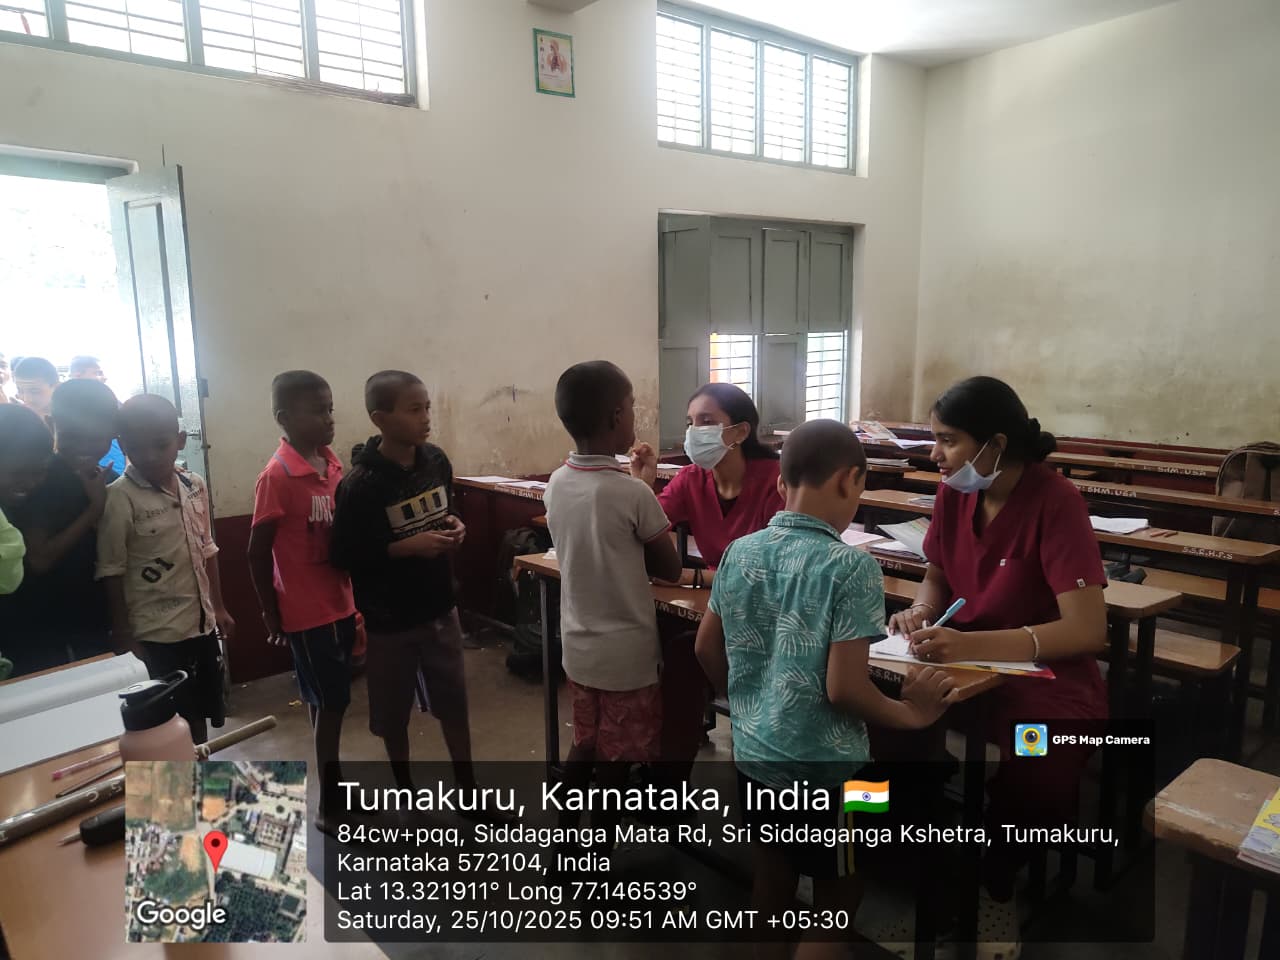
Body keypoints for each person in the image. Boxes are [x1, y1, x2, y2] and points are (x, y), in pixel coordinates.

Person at [695, 418, 956, 960]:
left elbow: (704, 648)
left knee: (772, 877)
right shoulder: (851, 567)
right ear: (850, 480)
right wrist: (913, 714)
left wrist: (750, 707)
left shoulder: (740, 552)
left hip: (755, 756)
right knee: (841, 893)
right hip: (832, 770)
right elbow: (844, 690)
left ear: (779, 484)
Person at [886, 376, 1108, 958]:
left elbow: (1086, 630)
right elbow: (938, 570)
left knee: (1044, 765)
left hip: (1044, 674)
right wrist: (919, 611)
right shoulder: (953, 493)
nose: (933, 455)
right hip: (960, 658)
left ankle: (997, 877)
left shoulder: (1056, 502)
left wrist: (972, 642)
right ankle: (909, 852)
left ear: (996, 444)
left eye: (947, 440)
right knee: (882, 720)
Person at [543, 361, 682, 837]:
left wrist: (637, 485)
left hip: (579, 646)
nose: (634, 418)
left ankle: (563, 848)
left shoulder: (557, 483)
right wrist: (646, 487)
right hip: (626, 655)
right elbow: (668, 568)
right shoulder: (631, 494)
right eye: (633, 409)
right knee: (617, 767)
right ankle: (598, 860)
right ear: (615, 416)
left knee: (584, 745)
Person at [330, 371, 474, 791]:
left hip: (440, 608)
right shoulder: (360, 486)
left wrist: (455, 526)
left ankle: (468, 790)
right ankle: (405, 790)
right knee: (393, 716)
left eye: (426, 407)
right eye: (414, 410)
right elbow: (344, 555)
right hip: (389, 620)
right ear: (380, 418)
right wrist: (404, 547)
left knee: (454, 706)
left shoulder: (437, 462)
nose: (426, 417)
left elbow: (444, 511)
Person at [630, 382, 784, 768]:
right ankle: (666, 781)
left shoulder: (775, 480)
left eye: (707, 421)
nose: (695, 431)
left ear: (740, 431)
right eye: (690, 422)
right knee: (673, 652)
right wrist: (642, 486)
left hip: (770, 613)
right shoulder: (692, 478)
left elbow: (769, 568)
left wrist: (694, 579)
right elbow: (646, 528)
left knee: (685, 654)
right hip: (722, 607)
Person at [248, 371, 356, 833]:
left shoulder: (332, 466)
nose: (329, 418)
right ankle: (329, 802)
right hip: (307, 612)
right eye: (318, 410)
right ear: (284, 418)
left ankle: (333, 786)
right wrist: (271, 611)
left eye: (330, 408)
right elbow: (256, 551)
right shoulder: (277, 476)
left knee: (321, 700)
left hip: (341, 603)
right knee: (334, 700)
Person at [96, 394, 236, 743]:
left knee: (201, 711)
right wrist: (124, 633)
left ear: (180, 441)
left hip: (199, 624)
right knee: (167, 723)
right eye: (136, 448)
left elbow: (208, 550)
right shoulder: (120, 497)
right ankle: (178, 789)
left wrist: (217, 606)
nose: (149, 457)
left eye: (160, 446)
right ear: (121, 445)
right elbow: (111, 569)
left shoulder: (194, 485)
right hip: (156, 635)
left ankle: (200, 775)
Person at [2, 379, 120, 675]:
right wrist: (94, 510)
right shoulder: (43, 478)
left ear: (113, 434)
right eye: (73, 437)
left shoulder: (108, 478)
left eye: (96, 439)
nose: (84, 448)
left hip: (91, 614)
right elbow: (39, 559)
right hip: (46, 624)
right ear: (53, 424)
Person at [0, 404, 54, 674]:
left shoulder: (33, 501)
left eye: (39, 472)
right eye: (19, 473)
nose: (30, 483)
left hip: (32, 634)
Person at [70, 356, 126, 474]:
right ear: (77, 376)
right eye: (98, 373)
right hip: (93, 473)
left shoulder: (113, 403)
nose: (104, 378)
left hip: (122, 472)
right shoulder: (65, 409)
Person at [13, 356, 58, 422]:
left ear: (56, 387)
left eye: (35, 391)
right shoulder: (19, 415)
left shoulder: (71, 419)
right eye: (20, 391)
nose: (26, 399)